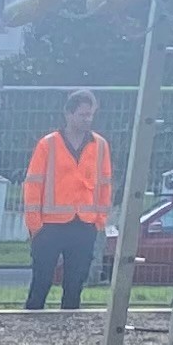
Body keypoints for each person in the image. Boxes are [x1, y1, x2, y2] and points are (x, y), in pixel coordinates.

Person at [20, 89, 112, 311]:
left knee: (75, 283)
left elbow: (105, 184)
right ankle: (31, 324)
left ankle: (69, 326)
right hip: (50, 225)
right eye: (82, 114)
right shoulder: (48, 144)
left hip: (84, 224)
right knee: (41, 281)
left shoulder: (100, 145)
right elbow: (33, 184)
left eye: (90, 114)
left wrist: (99, 220)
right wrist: (35, 225)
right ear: (68, 114)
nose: (88, 119)